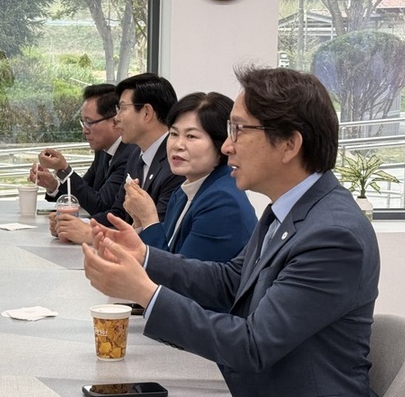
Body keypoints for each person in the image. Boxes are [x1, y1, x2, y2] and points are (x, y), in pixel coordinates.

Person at [82, 66, 380, 397]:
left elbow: (254, 344)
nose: (226, 144)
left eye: (239, 130)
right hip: (256, 396)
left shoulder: (333, 234)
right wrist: (146, 256)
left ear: (289, 144)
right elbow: (227, 281)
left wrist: (145, 292)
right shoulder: (290, 211)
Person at [124, 91, 257, 262]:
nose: (177, 145)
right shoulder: (185, 190)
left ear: (221, 143)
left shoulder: (223, 201)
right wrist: (140, 222)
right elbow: (168, 249)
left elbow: (178, 278)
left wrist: (149, 218)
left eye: (191, 136)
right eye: (173, 134)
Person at [52, 73, 183, 245]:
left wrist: (92, 234)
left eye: (122, 108)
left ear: (146, 113)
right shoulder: (136, 154)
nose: (117, 118)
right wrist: (74, 225)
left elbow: (159, 233)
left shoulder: (176, 162)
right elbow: (118, 212)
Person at [29, 83, 137, 215]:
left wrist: (64, 169)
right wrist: (52, 185)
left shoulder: (130, 154)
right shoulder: (103, 151)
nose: (84, 130)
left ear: (115, 120)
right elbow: (83, 196)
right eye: (83, 122)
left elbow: (101, 205)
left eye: (89, 122)